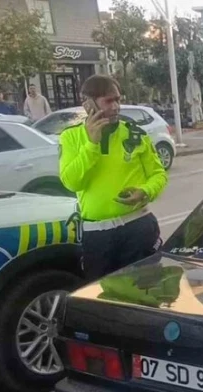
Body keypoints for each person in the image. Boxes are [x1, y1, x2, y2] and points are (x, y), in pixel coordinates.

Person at [59, 75, 168, 281]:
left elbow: (158, 174)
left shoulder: (135, 134)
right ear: (88, 104)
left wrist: (145, 191)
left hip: (138, 228)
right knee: (102, 300)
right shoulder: (71, 137)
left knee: (147, 294)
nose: (117, 106)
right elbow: (72, 182)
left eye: (118, 99)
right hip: (98, 236)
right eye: (109, 101)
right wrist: (92, 145)